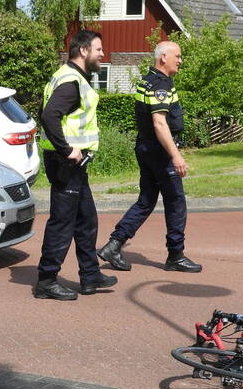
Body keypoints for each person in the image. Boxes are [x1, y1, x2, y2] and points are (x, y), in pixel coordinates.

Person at [98, 41, 202, 273]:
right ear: (163, 57)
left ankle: (114, 245)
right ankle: (175, 255)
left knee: (146, 200)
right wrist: (176, 156)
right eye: (178, 56)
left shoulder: (147, 80)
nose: (181, 60)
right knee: (176, 201)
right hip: (159, 152)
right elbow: (159, 123)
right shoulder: (160, 84)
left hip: (145, 148)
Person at [33, 30, 118, 301]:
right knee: (62, 223)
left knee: (86, 219)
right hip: (65, 163)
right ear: (83, 51)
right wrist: (67, 149)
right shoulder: (71, 82)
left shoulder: (71, 77)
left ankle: (90, 275)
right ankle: (46, 280)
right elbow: (49, 115)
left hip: (74, 166)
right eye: (98, 50)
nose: (102, 54)